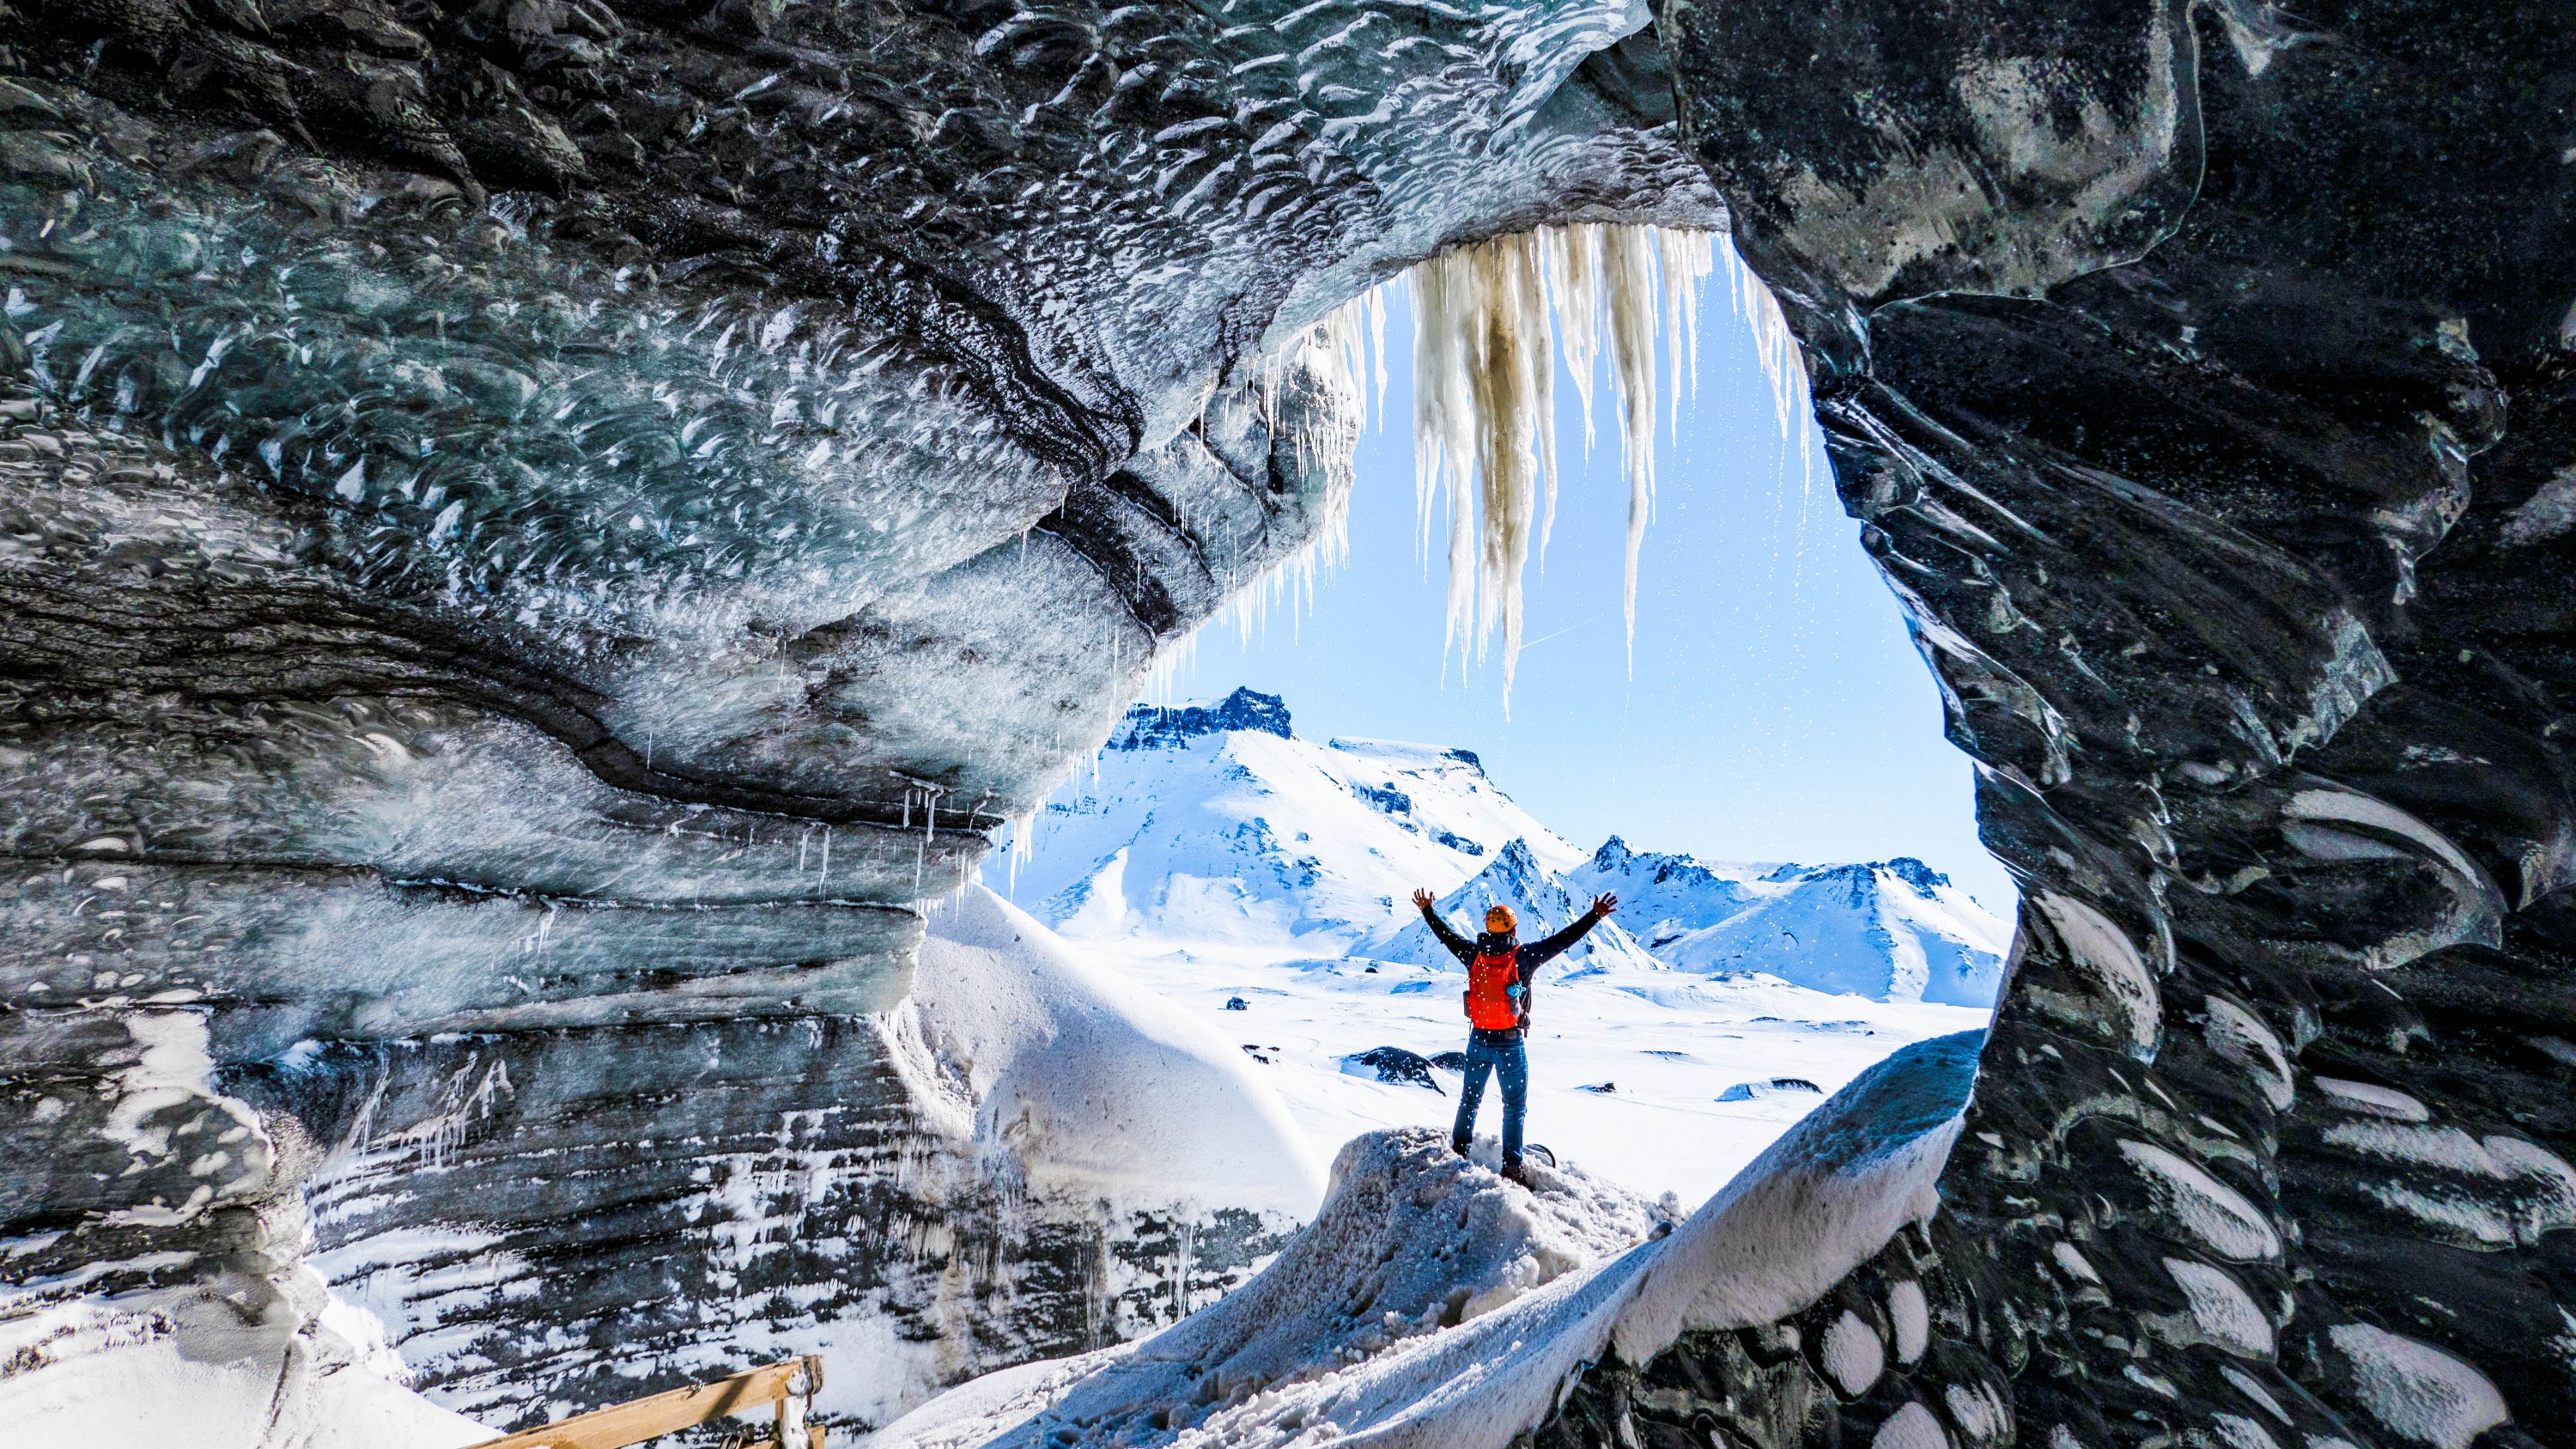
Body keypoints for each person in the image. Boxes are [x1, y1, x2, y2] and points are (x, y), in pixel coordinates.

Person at [1408, 888, 1618, 1187]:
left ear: (1487, 929)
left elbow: (1447, 937)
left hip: (1479, 1040)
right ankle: (1511, 1167)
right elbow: (1562, 941)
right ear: (1514, 929)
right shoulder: (1524, 958)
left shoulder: (1474, 955)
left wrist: (1428, 910)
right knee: (1514, 1106)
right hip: (1509, 1043)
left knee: (1470, 1100)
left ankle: (1459, 1151)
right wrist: (1594, 917)